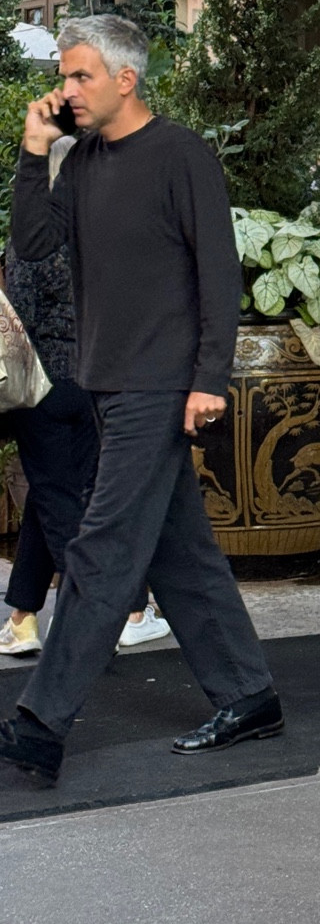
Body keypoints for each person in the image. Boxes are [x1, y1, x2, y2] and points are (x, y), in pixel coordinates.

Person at [0, 14, 282, 788]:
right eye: (64, 77)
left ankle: (40, 723)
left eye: (81, 75)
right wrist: (34, 154)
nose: (67, 90)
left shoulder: (180, 154)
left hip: (161, 383)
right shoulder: (83, 157)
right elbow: (30, 244)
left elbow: (218, 273)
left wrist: (208, 377)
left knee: (102, 547)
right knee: (176, 549)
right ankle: (249, 694)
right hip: (103, 380)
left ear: (126, 78)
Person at [0, 136, 169, 657]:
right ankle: (35, 617)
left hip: (42, 386)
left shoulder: (33, 234)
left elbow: (20, 314)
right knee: (74, 499)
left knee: (56, 499)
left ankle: (111, 611)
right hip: (98, 380)